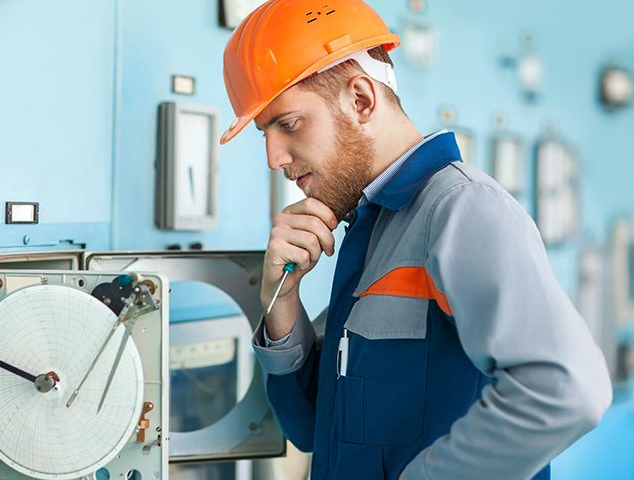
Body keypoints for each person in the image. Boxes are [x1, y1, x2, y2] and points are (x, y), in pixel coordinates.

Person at [218, 0, 613, 479]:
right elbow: (312, 429)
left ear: (361, 99)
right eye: (264, 133)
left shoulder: (462, 210)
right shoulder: (374, 229)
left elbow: (567, 391)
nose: (274, 157)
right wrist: (281, 305)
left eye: (288, 123)